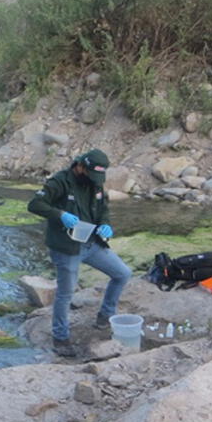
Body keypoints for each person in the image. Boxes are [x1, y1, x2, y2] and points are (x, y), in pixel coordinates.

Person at [27, 149, 133, 358]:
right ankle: (61, 338)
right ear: (81, 166)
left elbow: (103, 210)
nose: (95, 181)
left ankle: (105, 316)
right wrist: (60, 214)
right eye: (92, 175)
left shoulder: (96, 183)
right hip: (66, 248)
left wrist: (105, 225)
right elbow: (35, 204)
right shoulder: (60, 182)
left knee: (122, 273)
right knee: (66, 294)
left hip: (92, 242)